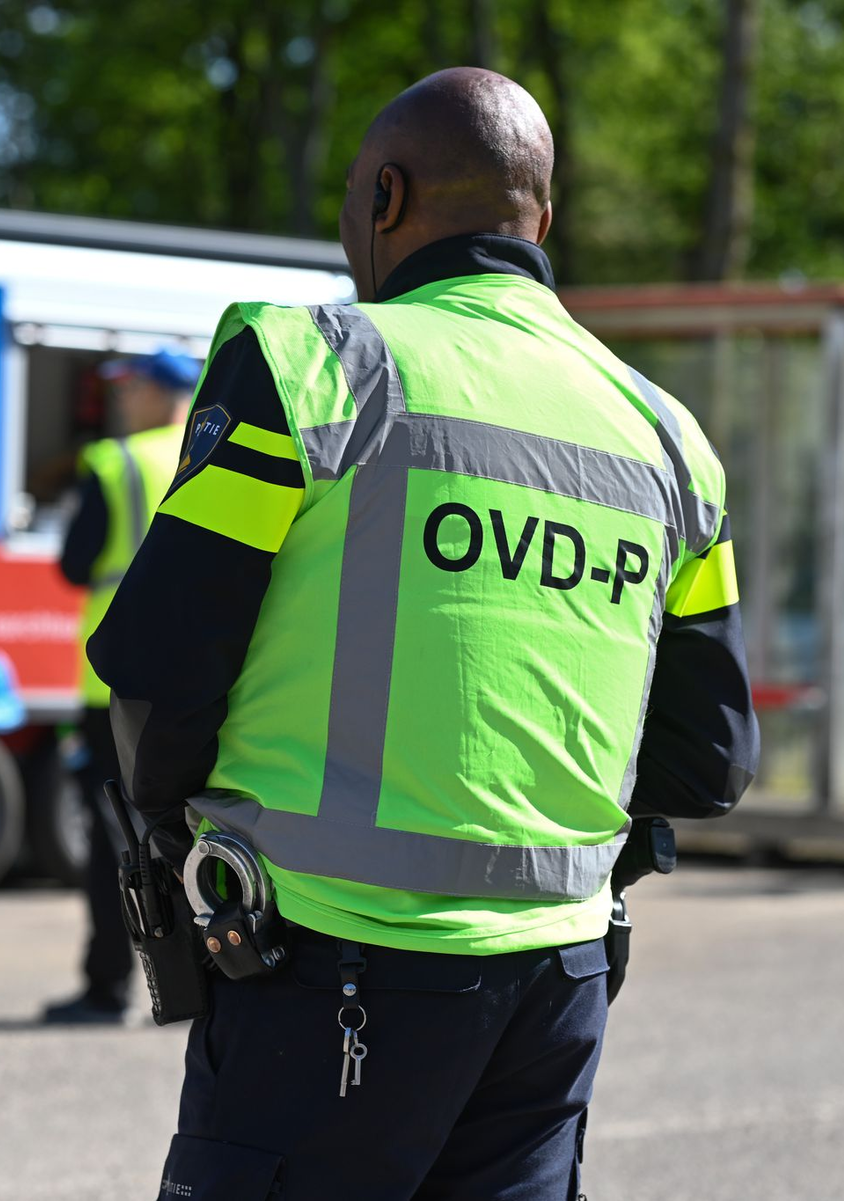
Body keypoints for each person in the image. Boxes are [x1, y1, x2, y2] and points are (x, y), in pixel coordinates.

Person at [88, 68, 760, 1199]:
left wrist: (176, 851)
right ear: (541, 221)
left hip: (322, 966)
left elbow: (158, 669)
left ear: (385, 197)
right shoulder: (668, 435)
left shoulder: (312, 366)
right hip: (557, 981)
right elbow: (713, 760)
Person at [41, 348, 199, 1025]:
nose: (121, 399)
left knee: (119, 844)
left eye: (129, 386)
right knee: (192, 837)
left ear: (159, 391)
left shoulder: (116, 463)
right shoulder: (215, 451)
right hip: (197, 678)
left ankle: (108, 986)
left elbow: (75, 564)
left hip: (114, 685)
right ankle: (205, 984)